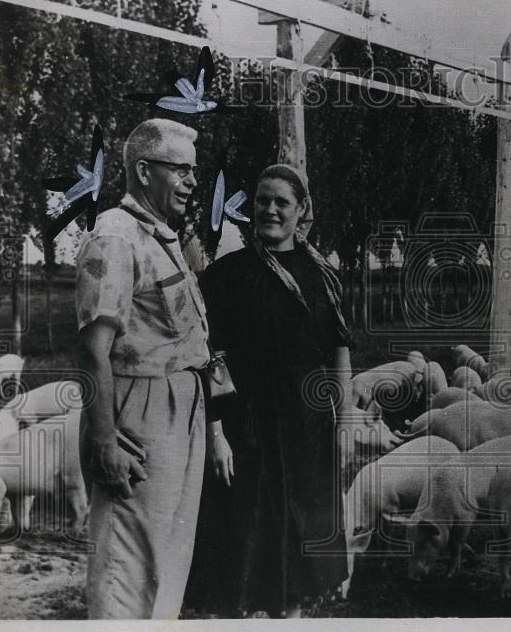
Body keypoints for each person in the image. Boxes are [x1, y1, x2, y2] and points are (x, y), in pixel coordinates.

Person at [75, 118, 228, 619]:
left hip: (181, 410)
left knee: (167, 563)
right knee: (125, 566)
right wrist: (103, 440)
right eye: (180, 170)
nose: (192, 182)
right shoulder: (115, 236)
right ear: (144, 171)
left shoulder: (161, 236)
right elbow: (94, 349)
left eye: (193, 172)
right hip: (140, 413)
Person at [197, 163, 353, 618]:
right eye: (262, 200)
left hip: (307, 429)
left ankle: (293, 618)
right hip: (247, 428)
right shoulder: (227, 275)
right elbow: (210, 357)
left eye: (281, 202)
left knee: (302, 541)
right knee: (247, 533)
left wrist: (345, 423)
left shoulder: (321, 276)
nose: (269, 209)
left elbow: (339, 352)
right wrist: (215, 433)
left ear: (302, 209)